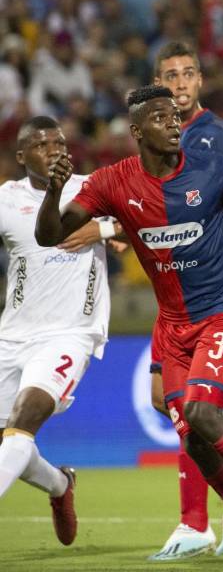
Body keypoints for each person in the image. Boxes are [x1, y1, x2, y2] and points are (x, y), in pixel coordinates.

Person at [35, 85, 223, 572]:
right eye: (161, 118)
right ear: (138, 132)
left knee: (203, 414)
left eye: (176, 116)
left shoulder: (213, 168)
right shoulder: (113, 182)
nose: (174, 123)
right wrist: (54, 191)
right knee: (196, 443)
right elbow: (50, 235)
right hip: (173, 326)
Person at [147, 41, 223, 561]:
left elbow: (207, 202)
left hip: (205, 293)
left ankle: (199, 521)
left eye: (189, 74)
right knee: (165, 400)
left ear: (200, 82)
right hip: (173, 294)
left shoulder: (211, 136)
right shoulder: (157, 140)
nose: (181, 83)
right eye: (171, 76)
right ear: (157, 85)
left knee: (190, 408)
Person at [0, 116, 113, 545]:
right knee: (9, 442)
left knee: (24, 422)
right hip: (12, 336)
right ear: (21, 155)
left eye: (59, 142)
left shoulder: (94, 189)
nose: (53, 149)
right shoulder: (6, 199)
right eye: (41, 144)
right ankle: (60, 485)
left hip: (70, 332)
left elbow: (151, 217)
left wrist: (104, 228)